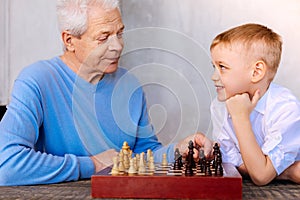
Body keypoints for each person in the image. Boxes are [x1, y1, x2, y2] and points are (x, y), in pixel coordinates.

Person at [0, 0, 212, 186]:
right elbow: (7, 165)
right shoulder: (36, 80)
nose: (117, 46)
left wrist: (178, 150)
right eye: (103, 38)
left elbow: (143, 156)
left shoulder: (130, 84)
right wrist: (93, 164)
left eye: (120, 33)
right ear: (69, 40)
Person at [209, 23, 300, 186]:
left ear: (256, 72)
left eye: (222, 67)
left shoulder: (285, 108)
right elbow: (233, 165)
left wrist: (240, 117)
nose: (213, 76)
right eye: (214, 67)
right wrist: (289, 172)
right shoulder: (219, 106)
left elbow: (261, 177)